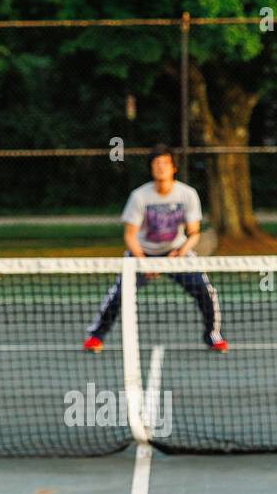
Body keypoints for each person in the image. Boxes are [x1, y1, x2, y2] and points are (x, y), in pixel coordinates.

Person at [84, 143, 227, 353]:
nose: (161, 168)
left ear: (173, 168)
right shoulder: (139, 196)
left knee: (205, 291)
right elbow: (130, 235)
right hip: (142, 253)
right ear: (151, 168)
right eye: (156, 164)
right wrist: (143, 262)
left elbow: (194, 233)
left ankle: (213, 336)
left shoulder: (187, 195)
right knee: (119, 293)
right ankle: (96, 336)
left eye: (165, 164)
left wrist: (179, 255)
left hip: (177, 252)